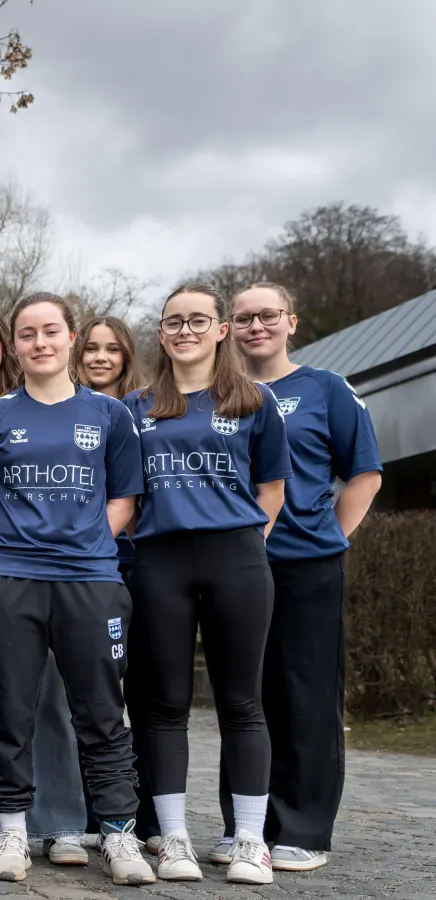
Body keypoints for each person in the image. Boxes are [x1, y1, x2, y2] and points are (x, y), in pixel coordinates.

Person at [0, 292, 155, 887]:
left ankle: (118, 833)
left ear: (71, 337)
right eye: (27, 334)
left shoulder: (110, 415)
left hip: (91, 581)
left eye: (50, 331)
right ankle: (12, 829)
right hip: (11, 581)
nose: (40, 342)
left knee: (102, 712)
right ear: (15, 346)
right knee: (10, 710)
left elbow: (124, 500)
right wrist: (21, 547)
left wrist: (81, 544)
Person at [121, 284, 290, 885]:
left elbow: (272, 488)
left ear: (221, 330)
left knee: (242, 703)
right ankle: (173, 840)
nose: (185, 331)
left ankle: (250, 841)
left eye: (198, 320)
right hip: (159, 562)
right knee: (165, 705)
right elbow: (124, 494)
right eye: (174, 322)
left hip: (235, 559)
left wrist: (244, 542)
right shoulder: (135, 407)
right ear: (161, 334)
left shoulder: (254, 400)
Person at [217, 282, 381, 873]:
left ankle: (303, 829)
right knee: (244, 696)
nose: (255, 326)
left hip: (306, 566)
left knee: (305, 695)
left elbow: (365, 473)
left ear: (291, 322)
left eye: (267, 315)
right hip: (235, 566)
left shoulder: (326, 389)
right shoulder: (219, 395)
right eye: (243, 318)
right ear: (228, 329)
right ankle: (245, 827)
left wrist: (329, 535)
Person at [0, 308, 90, 864]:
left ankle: (60, 821)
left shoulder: (42, 404)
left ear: (6, 345)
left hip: (34, 564)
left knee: (48, 694)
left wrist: (14, 560)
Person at [70, 315, 150, 846]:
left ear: (127, 356)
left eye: (112, 349)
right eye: (92, 348)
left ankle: (138, 815)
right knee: (82, 693)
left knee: (132, 694)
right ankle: (82, 813)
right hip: (77, 569)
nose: (101, 357)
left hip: (133, 563)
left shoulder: (143, 409)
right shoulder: (62, 408)